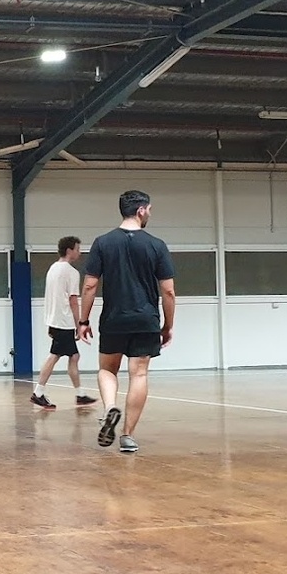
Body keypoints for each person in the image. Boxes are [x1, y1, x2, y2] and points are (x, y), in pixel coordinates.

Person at [79, 190, 175, 454]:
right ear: (142, 210)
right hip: (146, 319)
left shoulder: (103, 243)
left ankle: (110, 408)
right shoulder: (157, 245)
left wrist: (83, 320)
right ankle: (127, 436)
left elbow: (89, 285)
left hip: (114, 318)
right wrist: (167, 325)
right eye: (150, 210)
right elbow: (168, 291)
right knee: (139, 373)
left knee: (107, 369)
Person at [31, 235, 97, 410]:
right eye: (77, 248)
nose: (79, 252)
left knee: (73, 356)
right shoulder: (71, 272)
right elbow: (73, 300)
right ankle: (38, 393)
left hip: (54, 319)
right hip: (64, 321)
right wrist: (79, 324)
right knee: (55, 355)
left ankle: (80, 394)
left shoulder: (52, 268)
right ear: (69, 250)